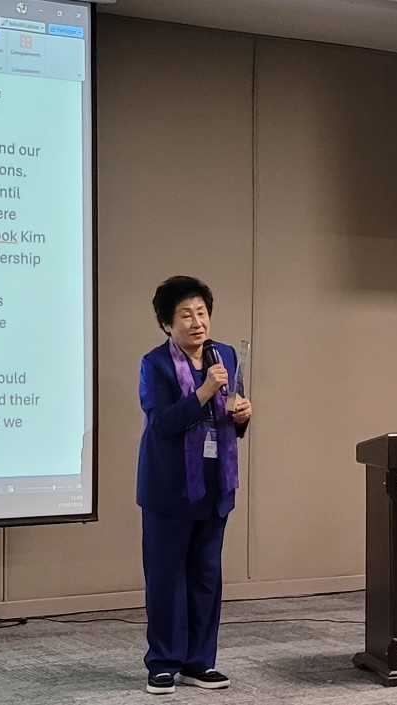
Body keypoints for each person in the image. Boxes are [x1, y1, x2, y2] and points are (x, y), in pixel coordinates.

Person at [136, 276, 252, 695]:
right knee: (167, 578)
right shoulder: (155, 364)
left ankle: (199, 662)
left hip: (215, 485)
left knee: (206, 577)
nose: (197, 322)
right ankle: (163, 663)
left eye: (202, 312)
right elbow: (162, 424)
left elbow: (230, 414)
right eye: (185, 315)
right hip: (169, 489)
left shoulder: (225, 356)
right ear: (167, 324)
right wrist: (204, 391)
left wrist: (242, 416)